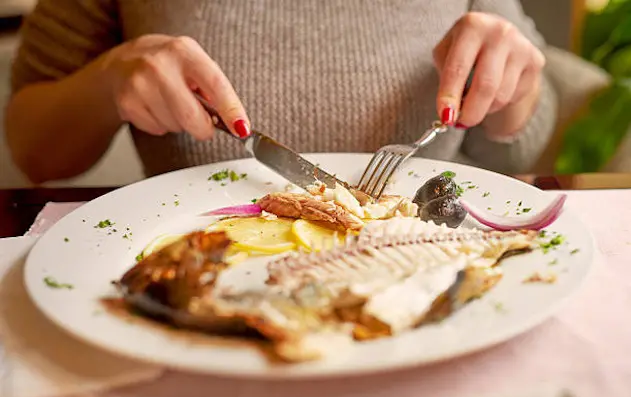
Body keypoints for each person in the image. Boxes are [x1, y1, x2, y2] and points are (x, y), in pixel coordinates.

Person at [5, 0, 556, 184]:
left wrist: (511, 91)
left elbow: (517, 145)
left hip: (426, 269)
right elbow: (33, 150)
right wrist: (108, 82)